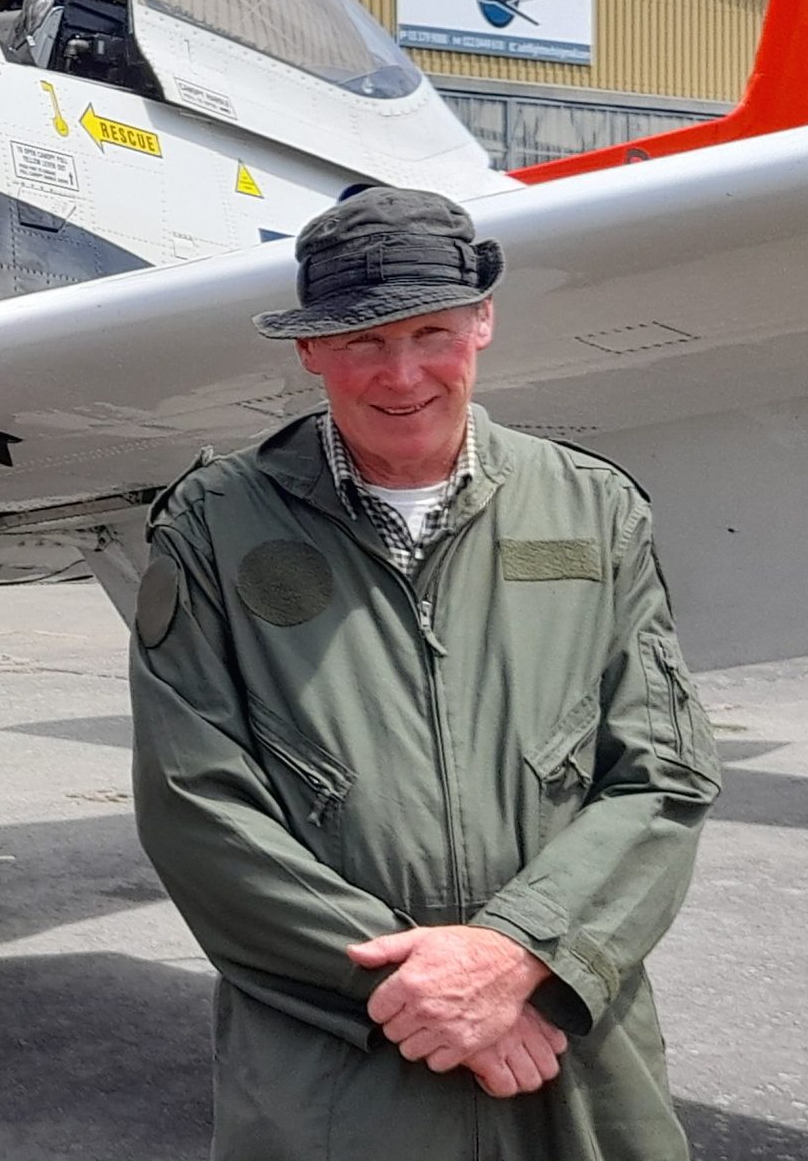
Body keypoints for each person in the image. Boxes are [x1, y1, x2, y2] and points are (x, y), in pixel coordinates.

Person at [128, 185, 722, 1159]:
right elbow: (197, 808)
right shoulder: (213, 528)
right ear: (309, 347)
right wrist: (417, 990)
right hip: (337, 1064)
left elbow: (661, 776)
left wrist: (519, 952)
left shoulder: (592, 511)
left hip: (565, 1048)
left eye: (431, 332)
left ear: (482, 321)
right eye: (362, 340)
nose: (400, 374)